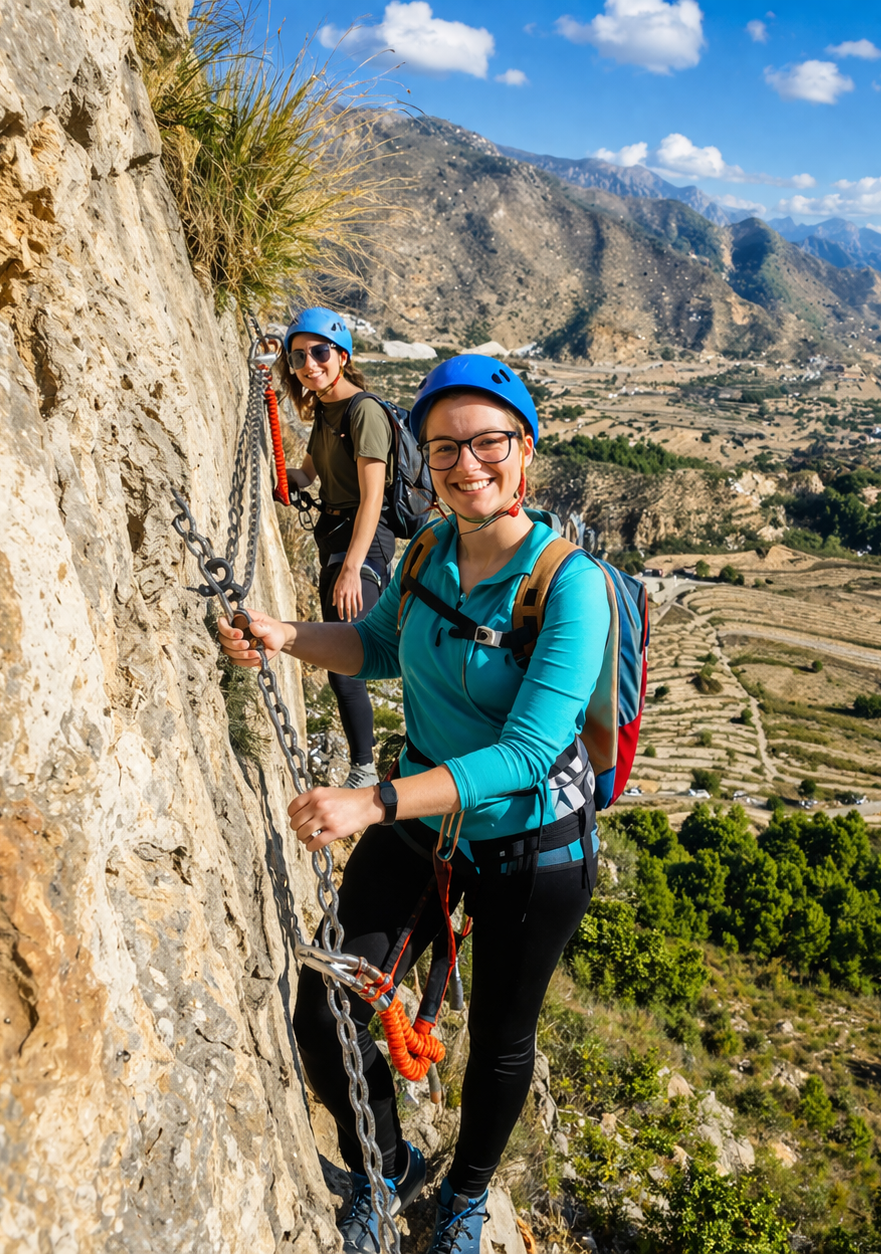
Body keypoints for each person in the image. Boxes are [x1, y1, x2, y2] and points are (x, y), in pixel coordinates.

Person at [218, 355, 610, 1254]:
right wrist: (287, 635)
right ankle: (386, 1164)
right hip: (423, 823)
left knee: (505, 1042)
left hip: (531, 847)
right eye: (443, 451)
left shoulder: (568, 587)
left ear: (526, 450)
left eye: (488, 444)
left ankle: (465, 1198)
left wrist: (372, 801)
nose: (467, 466)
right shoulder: (432, 548)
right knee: (327, 1011)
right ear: (423, 460)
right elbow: (377, 644)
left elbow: (525, 752)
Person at [279, 307, 396, 790]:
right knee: (337, 662)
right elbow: (310, 474)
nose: (310, 364)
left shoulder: (362, 411)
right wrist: (282, 478)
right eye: (299, 356)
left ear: (342, 355)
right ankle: (364, 765)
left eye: (320, 352)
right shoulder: (326, 412)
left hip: (361, 547)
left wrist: (353, 569)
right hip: (336, 539)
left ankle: (365, 772)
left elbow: (373, 496)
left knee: (348, 658)